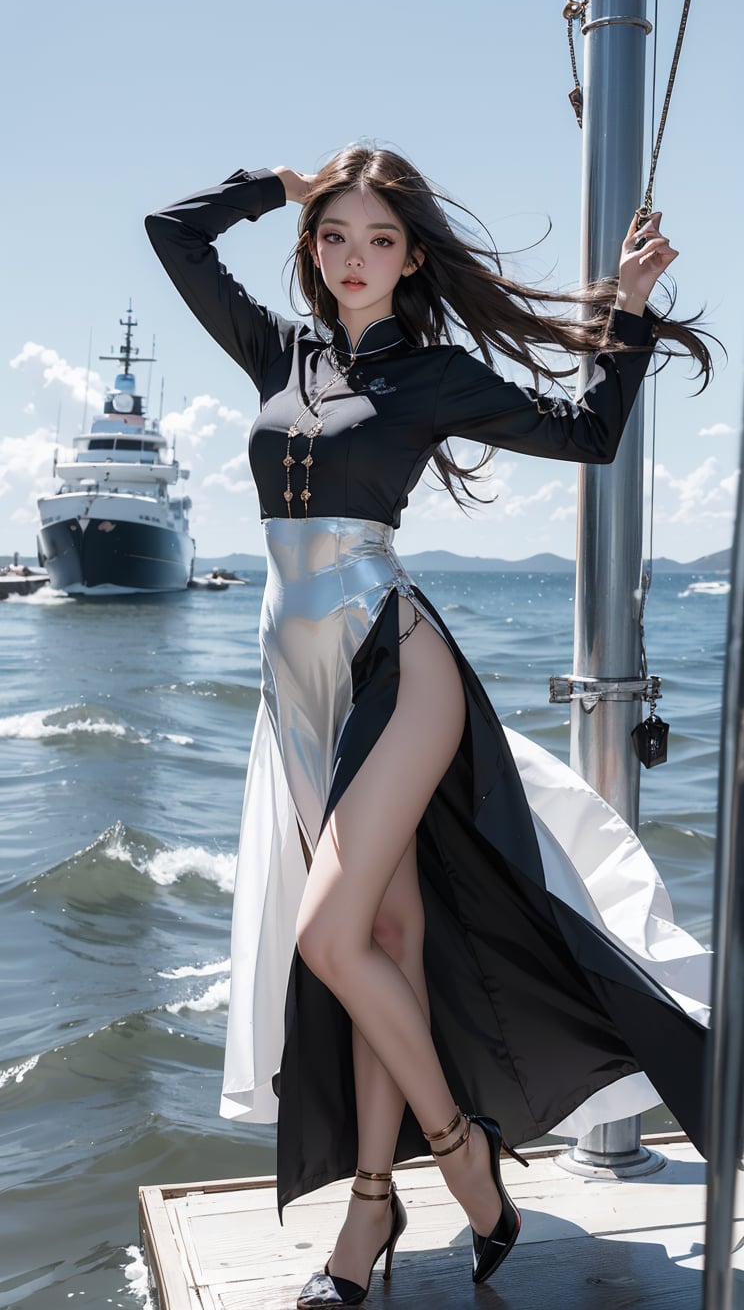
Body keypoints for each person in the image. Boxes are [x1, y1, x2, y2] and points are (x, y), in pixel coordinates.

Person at [145, 147, 713, 1307]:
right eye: (337, 237)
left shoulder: (434, 374)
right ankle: (397, 1197)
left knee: (327, 935)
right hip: (296, 685)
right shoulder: (274, 349)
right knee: (379, 950)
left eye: (380, 240)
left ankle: (441, 1169)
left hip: (391, 659)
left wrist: (630, 313)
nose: (355, 257)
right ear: (315, 252)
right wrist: (279, 186)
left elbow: (588, 432)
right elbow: (170, 231)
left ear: (410, 262)